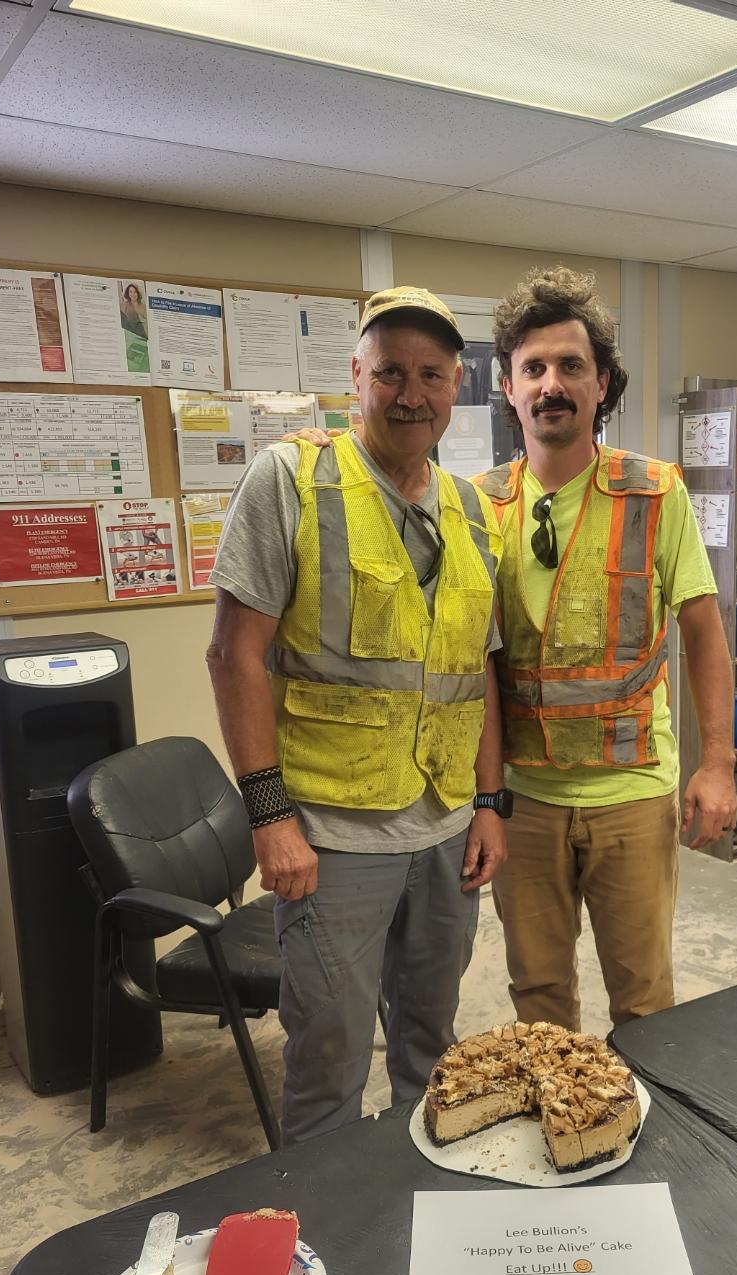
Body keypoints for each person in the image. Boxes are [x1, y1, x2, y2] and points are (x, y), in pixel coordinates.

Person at [207, 286, 508, 1145]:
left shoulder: (473, 510)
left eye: (431, 375)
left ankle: (417, 1209)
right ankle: (329, 1235)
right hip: (333, 839)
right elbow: (234, 657)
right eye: (389, 374)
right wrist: (271, 820)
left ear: (456, 386)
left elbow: (474, 672)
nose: (411, 394)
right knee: (331, 1059)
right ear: (356, 378)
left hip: (447, 831)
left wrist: (490, 805)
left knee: (432, 1051)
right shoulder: (293, 480)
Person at [479, 266, 737, 1031]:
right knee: (539, 1000)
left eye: (570, 366)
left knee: (646, 1003)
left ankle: (652, 1144)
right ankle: (563, 1133)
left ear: (603, 384)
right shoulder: (478, 505)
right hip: (524, 803)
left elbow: (704, 631)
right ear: (509, 387)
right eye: (534, 368)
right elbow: (477, 668)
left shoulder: (656, 493)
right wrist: (487, 799)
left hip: (632, 793)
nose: (551, 384)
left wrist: (718, 764)